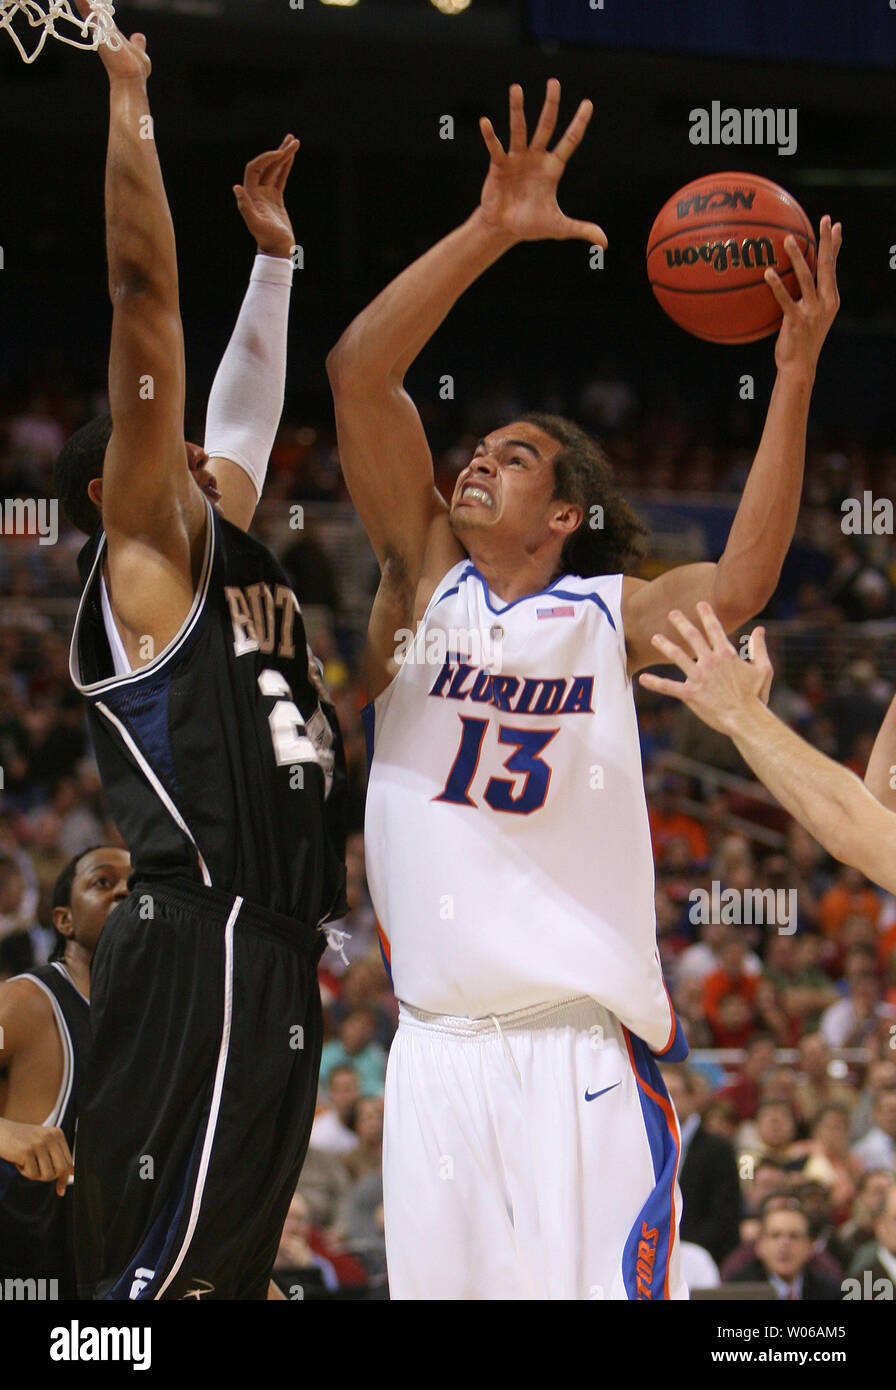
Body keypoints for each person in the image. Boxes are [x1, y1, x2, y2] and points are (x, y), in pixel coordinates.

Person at [326, 76, 841, 1299]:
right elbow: (358, 371)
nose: (477, 461)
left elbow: (751, 574)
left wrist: (795, 369)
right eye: (477, 448)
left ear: (564, 513)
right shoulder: (420, 581)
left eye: (512, 458)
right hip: (435, 1059)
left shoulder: (608, 615)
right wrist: (490, 229)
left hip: (577, 1054)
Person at [53, 10, 346, 1300]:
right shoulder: (150, 545)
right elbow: (144, 299)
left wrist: (274, 269)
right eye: (180, 456)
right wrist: (131, 97)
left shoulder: (218, 540)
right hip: (202, 934)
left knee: (220, 1276)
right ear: (135, 476)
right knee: (150, 1287)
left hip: (269, 945)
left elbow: (245, 409)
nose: (215, 461)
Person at [0, 845, 130, 1296]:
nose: (124, 893)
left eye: (138, 887)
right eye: (103, 882)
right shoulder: (28, 1001)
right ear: (64, 920)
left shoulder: (155, 1030)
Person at [662, 1066, 741, 1264]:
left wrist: (683, 1249)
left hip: (702, 1257)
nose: (665, 1099)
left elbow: (725, 1216)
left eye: (673, 1093)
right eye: (658, 1092)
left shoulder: (718, 1149)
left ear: (692, 1097)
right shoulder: (641, 1145)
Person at [727, 1201, 843, 1300]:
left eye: (794, 1236)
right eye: (775, 1236)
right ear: (760, 1246)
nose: (784, 1244)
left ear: (809, 1247)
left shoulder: (829, 1291)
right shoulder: (738, 1291)